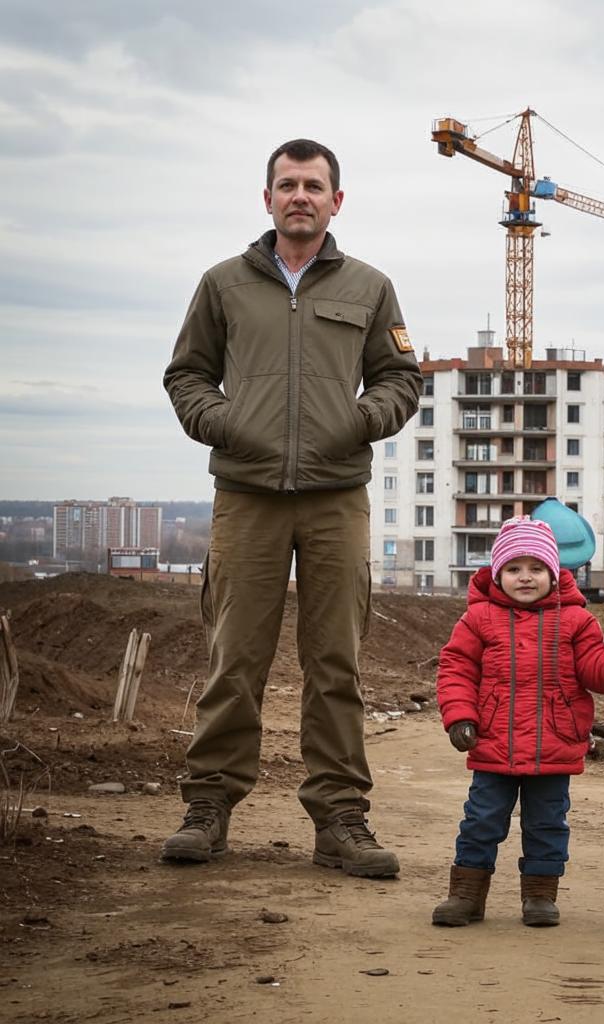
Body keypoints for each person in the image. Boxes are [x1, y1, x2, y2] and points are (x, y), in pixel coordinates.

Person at [161, 139, 422, 876]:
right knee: (233, 659)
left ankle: (341, 819)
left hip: (338, 497)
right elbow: (186, 376)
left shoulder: (370, 287)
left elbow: (401, 379)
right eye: (287, 184)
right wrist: (225, 424)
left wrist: (358, 422)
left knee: (335, 663)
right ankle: (208, 808)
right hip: (246, 498)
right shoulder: (223, 285)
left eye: (314, 185)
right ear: (267, 197)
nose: (299, 195)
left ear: (337, 201)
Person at [432, 517, 604, 928]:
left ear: (553, 573)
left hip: (554, 744)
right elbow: (456, 669)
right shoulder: (479, 619)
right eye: (513, 569)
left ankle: (540, 896)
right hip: (493, 744)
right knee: (481, 820)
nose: (524, 578)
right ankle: (466, 894)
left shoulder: (576, 622)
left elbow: (596, 669)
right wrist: (459, 716)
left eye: (535, 568)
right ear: (497, 574)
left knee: (547, 823)